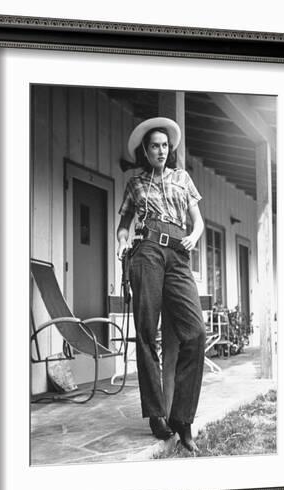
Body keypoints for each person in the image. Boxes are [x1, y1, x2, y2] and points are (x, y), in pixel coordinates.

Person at [117, 117, 206, 452]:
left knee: (195, 332)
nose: (160, 150)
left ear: (171, 150)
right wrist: (122, 241)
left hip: (179, 254)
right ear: (146, 150)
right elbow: (123, 225)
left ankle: (182, 417)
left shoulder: (183, 178)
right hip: (147, 252)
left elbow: (197, 222)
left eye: (165, 146)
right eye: (154, 145)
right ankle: (157, 414)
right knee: (146, 332)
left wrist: (195, 238)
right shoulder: (136, 183)